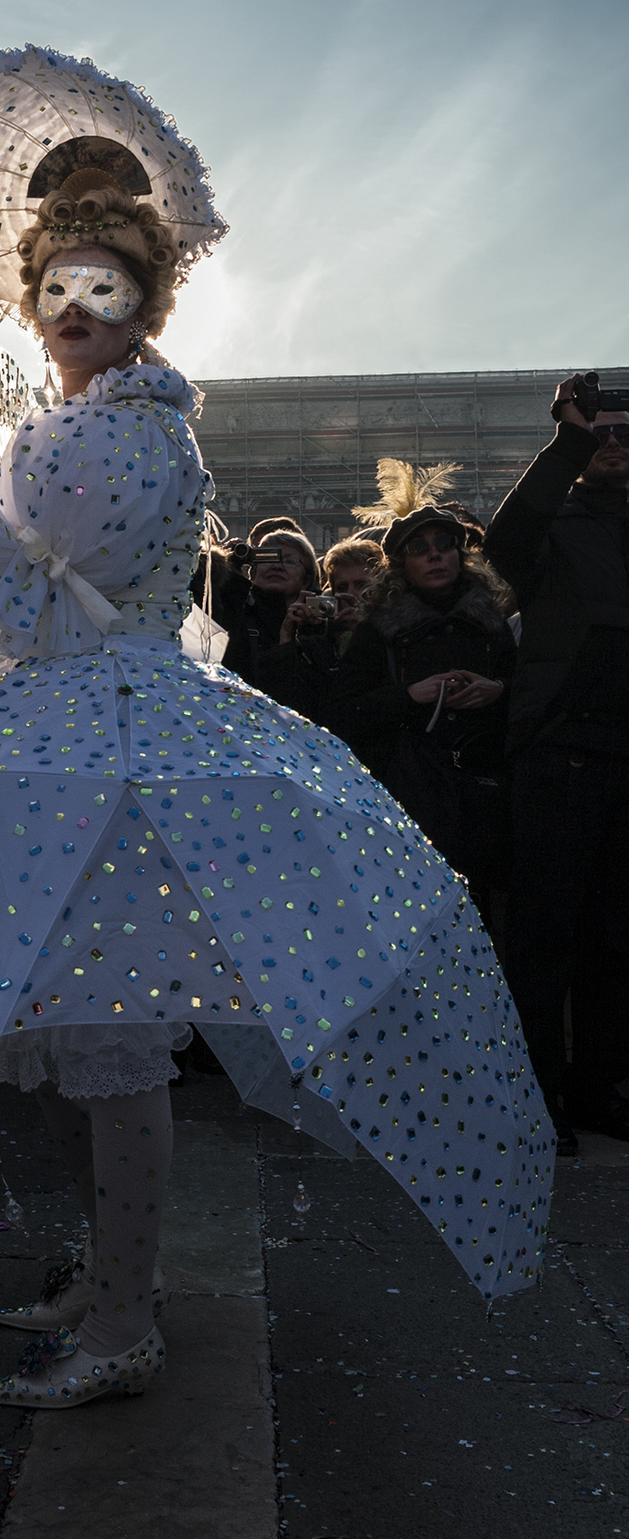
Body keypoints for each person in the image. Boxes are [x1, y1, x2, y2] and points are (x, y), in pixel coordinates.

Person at [0, 164, 549, 1411]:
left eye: (106, 285)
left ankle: (127, 1316)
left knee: (106, 1033)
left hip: (110, 742)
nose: (76, 304)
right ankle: (109, 1274)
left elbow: (24, 607)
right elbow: (34, 584)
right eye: (57, 286)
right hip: (70, 740)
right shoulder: (87, 420)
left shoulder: (124, 427)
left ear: (148, 303)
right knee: (49, 1024)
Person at [483, 377, 629, 1153]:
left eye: (622, 433)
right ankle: (533, 1092)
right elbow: (504, 543)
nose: (612, 443)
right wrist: (565, 440)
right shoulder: (554, 524)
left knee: (616, 935)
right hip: (561, 753)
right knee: (545, 934)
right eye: (599, 434)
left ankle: (598, 1085)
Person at [331, 481, 514, 922]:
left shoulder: (492, 623)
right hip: (412, 790)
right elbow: (342, 714)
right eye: (419, 547)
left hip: (485, 788)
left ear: (460, 554)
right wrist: (410, 695)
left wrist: (499, 690)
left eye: (444, 544)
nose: (435, 555)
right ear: (401, 564)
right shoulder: (378, 631)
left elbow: (529, 693)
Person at [192, 518, 322, 703]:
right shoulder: (236, 611)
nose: (277, 566)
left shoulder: (317, 623)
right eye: (268, 557)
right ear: (252, 571)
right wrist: (228, 569)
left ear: (307, 579)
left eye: (290, 561)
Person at [261, 535, 385, 725]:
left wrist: (366, 631)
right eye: (342, 587)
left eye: (362, 585)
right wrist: (287, 636)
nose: (350, 594)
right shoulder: (320, 646)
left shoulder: (400, 636)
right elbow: (289, 706)